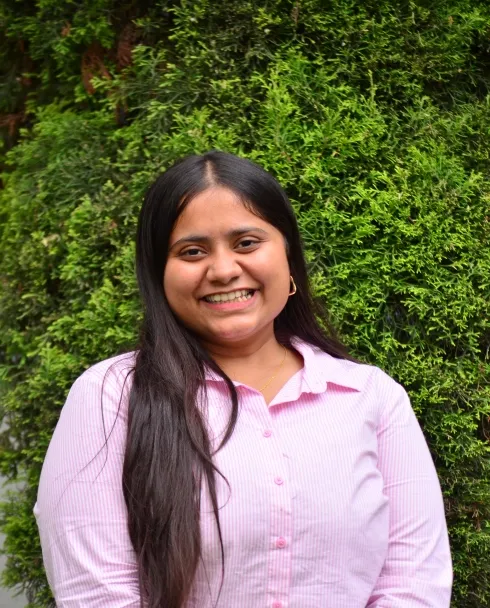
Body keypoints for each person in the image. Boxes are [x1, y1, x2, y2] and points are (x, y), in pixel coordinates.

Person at [34, 151, 452, 607]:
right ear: (159, 273)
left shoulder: (370, 398)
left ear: (288, 254)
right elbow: (96, 594)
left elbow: (413, 583)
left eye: (247, 242)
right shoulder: (110, 397)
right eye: (192, 251)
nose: (223, 270)